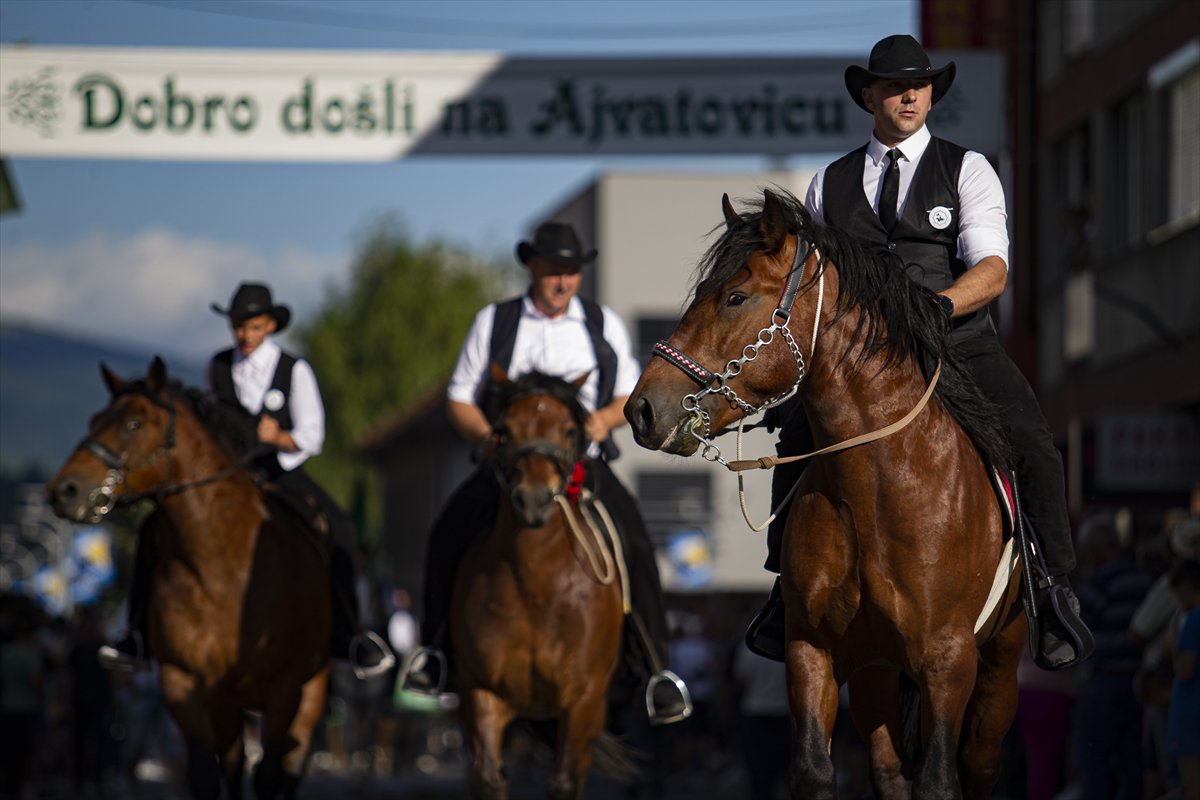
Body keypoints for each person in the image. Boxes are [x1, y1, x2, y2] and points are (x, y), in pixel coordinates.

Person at [745, 34, 1091, 670]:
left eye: (921, 85)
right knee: (796, 437)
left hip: (953, 337)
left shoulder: (968, 168)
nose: (909, 95)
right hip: (857, 356)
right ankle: (783, 586)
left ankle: (1052, 587)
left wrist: (943, 305)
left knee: (1033, 438)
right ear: (869, 96)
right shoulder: (829, 181)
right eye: (895, 86)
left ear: (932, 95)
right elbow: (813, 281)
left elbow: (992, 267)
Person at [400, 221, 691, 724]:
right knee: (446, 532)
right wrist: (489, 440)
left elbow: (628, 389)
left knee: (637, 546)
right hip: (509, 469)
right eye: (554, 271)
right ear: (531, 267)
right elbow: (459, 398)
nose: (562, 281)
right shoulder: (495, 322)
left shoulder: (602, 325)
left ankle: (655, 671)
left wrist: (599, 421)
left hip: (585, 468)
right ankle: (437, 654)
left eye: (571, 272)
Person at [99, 281, 393, 679]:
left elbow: (313, 435)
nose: (244, 335)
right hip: (229, 473)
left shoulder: (295, 370)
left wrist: (278, 438)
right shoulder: (216, 367)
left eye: (253, 326)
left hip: (279, 471)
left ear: (270, 325)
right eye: (238, 326)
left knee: (339, 527)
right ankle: (136, 636)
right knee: (155, 528)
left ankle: (349, 635)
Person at [1167, 558, 1200, 800]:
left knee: (1192, 786)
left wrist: (1173, 647)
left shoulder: (1193, 621)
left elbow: (1185, 670)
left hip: (1192, 714)